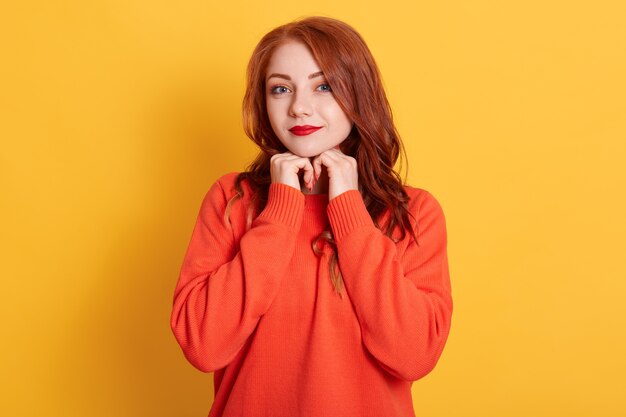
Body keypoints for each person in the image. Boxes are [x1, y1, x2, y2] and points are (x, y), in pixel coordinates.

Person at [170, 16, 453, 417]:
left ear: (358, 92)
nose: (299, 107)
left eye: (323, 86)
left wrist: (350, 211)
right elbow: (203, 344)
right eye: (281, 88)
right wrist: (281, 211)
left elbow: (415, 355)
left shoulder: (413, 213)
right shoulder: (233, 200)